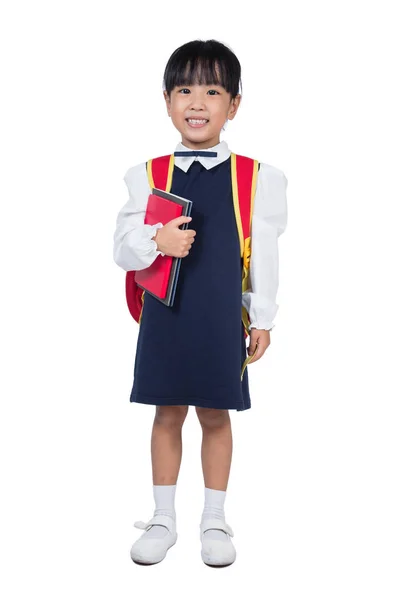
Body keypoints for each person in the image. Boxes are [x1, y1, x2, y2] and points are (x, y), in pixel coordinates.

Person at [113, 39, 288, 567]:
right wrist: (155, 241)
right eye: (185, 89)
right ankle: (163, 518)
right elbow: (122, 249)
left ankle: (214, 517)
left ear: (233, 104)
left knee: (216, 414)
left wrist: (262, 317)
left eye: (212, 90)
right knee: (167, 413)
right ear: (166, 100)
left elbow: (265, 254)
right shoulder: (146, 175)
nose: (197, 102)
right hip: (165, 316)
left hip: (217, 318)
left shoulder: (258, 178)